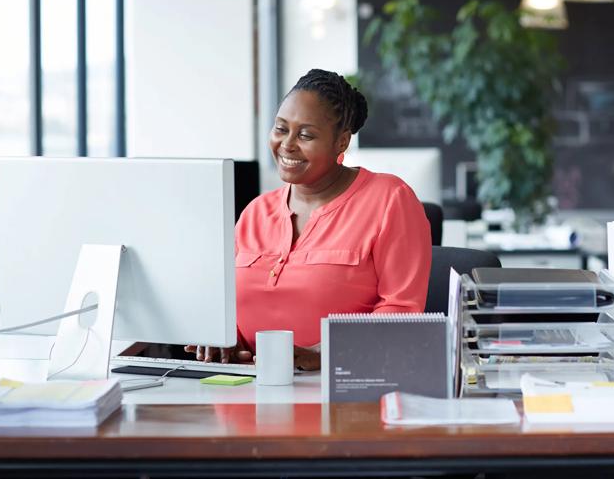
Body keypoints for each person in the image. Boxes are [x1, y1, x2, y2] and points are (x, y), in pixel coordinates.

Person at [185, 69, 432, 370]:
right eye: (280, 128)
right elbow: (231, 306)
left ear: (341, 143)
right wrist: (225, 339)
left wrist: (325, 354)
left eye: (305, 135)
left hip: (344, 387)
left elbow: (402, 313)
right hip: (249, 383)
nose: (287, 144)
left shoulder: (390, 199)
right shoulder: (255, 213)